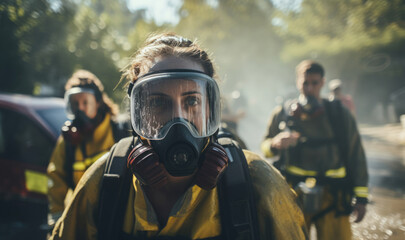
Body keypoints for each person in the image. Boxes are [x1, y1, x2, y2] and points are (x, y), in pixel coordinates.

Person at [50, 33, 307, 240]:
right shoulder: (105, 182)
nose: (178, 119)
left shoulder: (257, 182)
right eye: (158, 103)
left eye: (192, 101)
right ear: (137, 111)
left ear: (210, 108)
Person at [261, 60, 369, 240]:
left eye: (315, 83)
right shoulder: (283, 113)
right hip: (294, 194)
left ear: (323, 83)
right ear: (298, 82)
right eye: (305, 83)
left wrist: (361, 197)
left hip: (333, 196)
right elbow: (265, 148)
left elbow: (355, 154)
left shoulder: (339, 114)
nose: (309, 88)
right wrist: (275, 143)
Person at [47, 69, 130, 227]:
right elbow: (56, 177)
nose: (81, 109)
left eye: (85, 102)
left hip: (117, 218)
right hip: (82, 221)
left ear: (98, 102)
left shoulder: (119, 131)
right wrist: (56, 220)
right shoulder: (68, 140)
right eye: (75, 104)